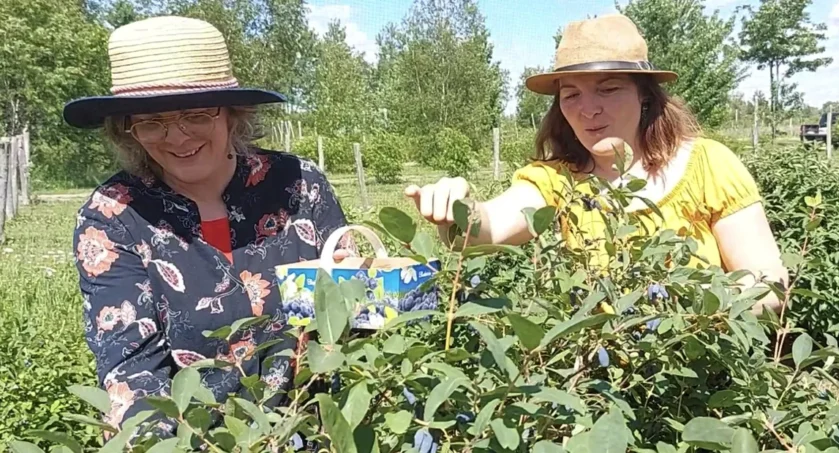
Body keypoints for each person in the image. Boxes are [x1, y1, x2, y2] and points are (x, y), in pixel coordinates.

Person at [64, 16, 355, 436]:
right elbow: (132, 371)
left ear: (232, 114)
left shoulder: (298, 185)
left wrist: (357, 285)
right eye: (150, 121)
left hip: (315, 434)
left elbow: (355, 325)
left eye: (195, 115)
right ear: (128, 130)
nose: (177, 137)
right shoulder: (113, 217)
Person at [405, 13, 787, 314]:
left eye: (608, 88)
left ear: (645, 97)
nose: (588, 109)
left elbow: (769, 287)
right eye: (571, 94)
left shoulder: (709, 166)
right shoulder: (558, 181)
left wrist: (683, 313)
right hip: (600, 396)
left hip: (701, 388)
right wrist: (457, 210)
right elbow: (488, 227)